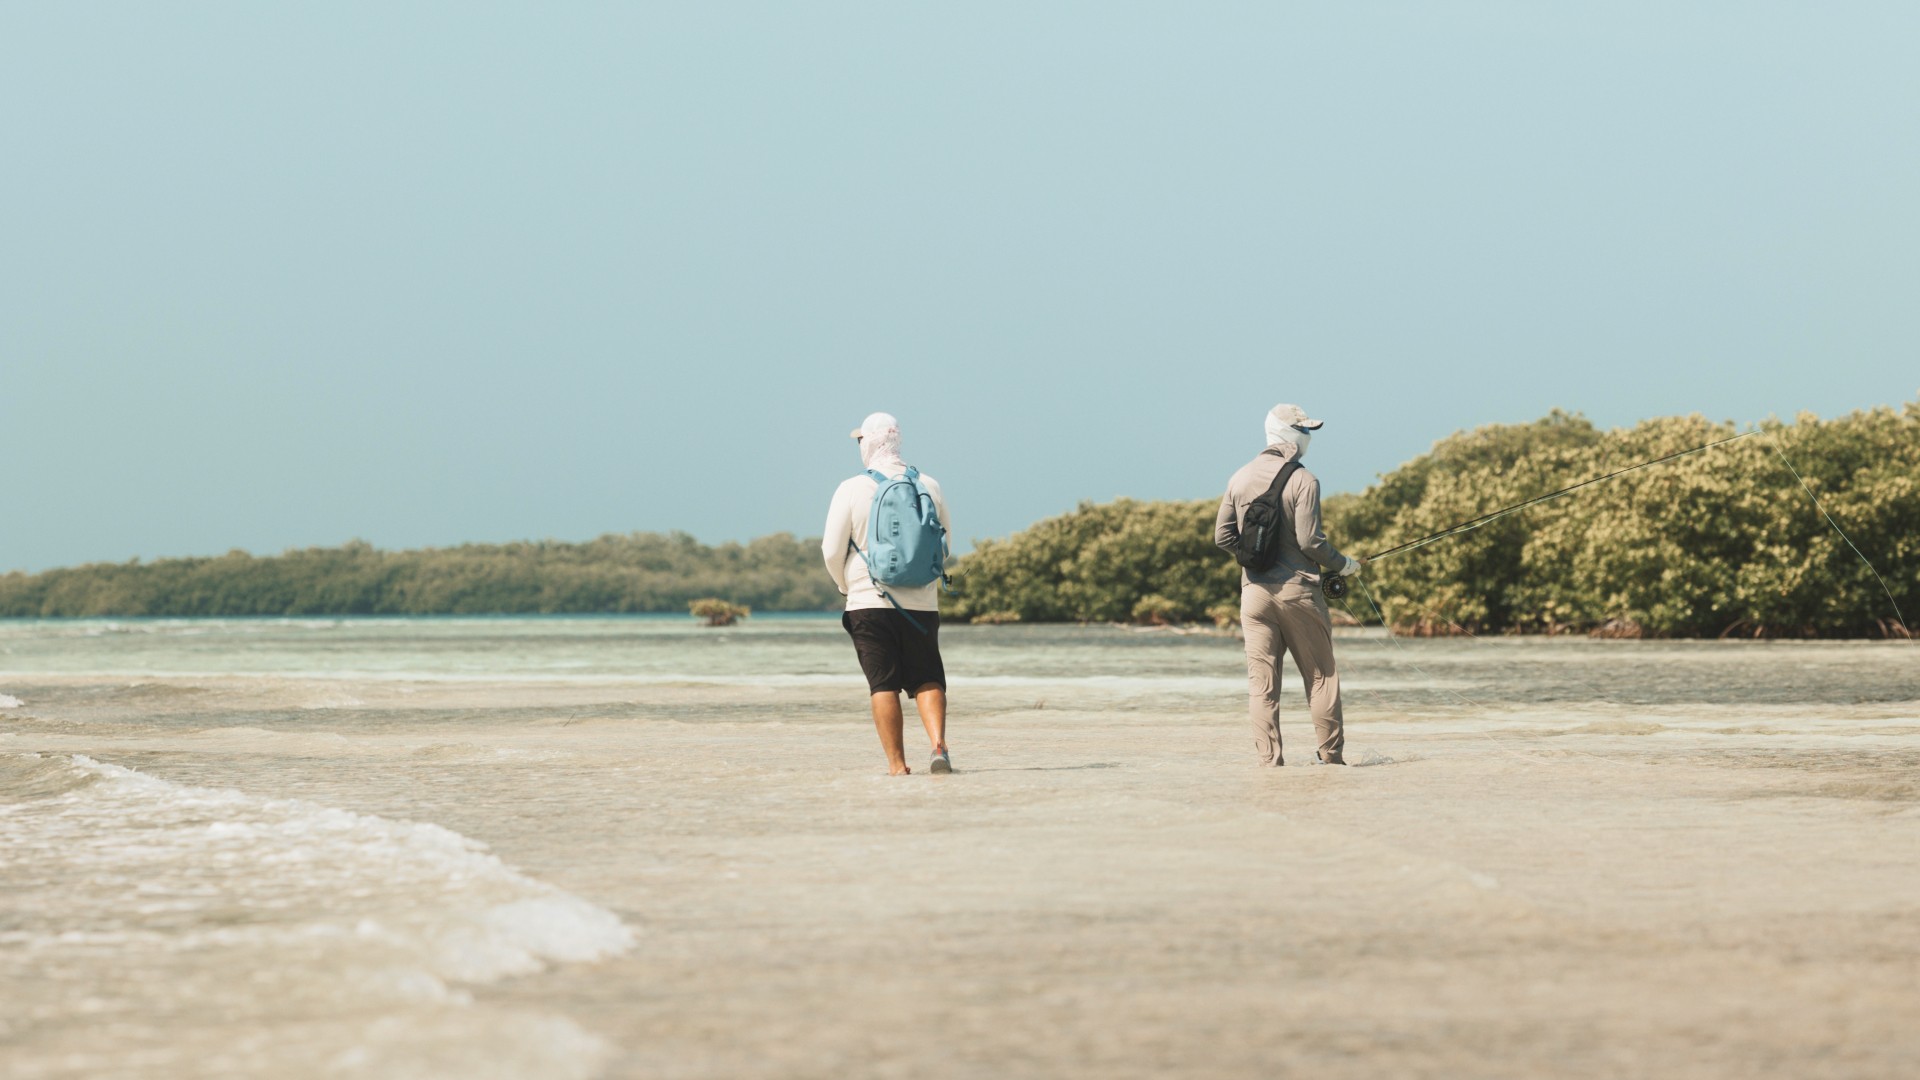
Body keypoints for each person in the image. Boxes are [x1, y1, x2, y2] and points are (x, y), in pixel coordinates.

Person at [1213, 403, 1366, 767]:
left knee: (1262, 687)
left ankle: (1269, 765)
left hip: (1253, 595)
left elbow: (1222, 537)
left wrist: (1254, 559)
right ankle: (1331, 760)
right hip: (1298, 593)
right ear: (1289, 434)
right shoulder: (1303, 479)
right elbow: (1311, 542)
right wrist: (1346, 565)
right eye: (1305, 430)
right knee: (1321, 678)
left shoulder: (1239, 477)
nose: (1308, 438)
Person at [822, 412, 954, 776]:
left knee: (883, 684)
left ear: (868, 443)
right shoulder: (929, 484)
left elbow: (831, 550)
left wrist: (845, 585)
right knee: (928, 677)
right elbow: (944, 548)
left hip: (869, 602)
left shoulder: (851, 488)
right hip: (922, 603)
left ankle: (898, 766)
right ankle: (938, 747)